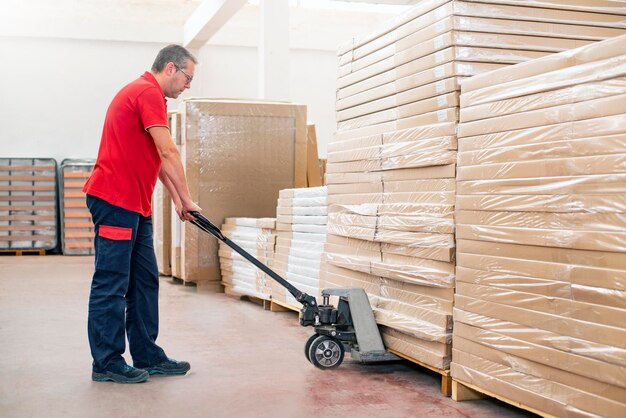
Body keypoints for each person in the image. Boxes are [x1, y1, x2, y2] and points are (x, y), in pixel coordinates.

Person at [83, 44, 202, 384]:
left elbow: (156, 157)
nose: (188, 85)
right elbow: (167, 150)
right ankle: (106, 361)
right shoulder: (146, 92)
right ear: (170, 68)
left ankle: (147, 354)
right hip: (116, 200)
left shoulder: (152, 97)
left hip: (136, 204)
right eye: (187, 77)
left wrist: (180, 200)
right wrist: (189, 197)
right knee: (112, 283)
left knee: (144, 281)